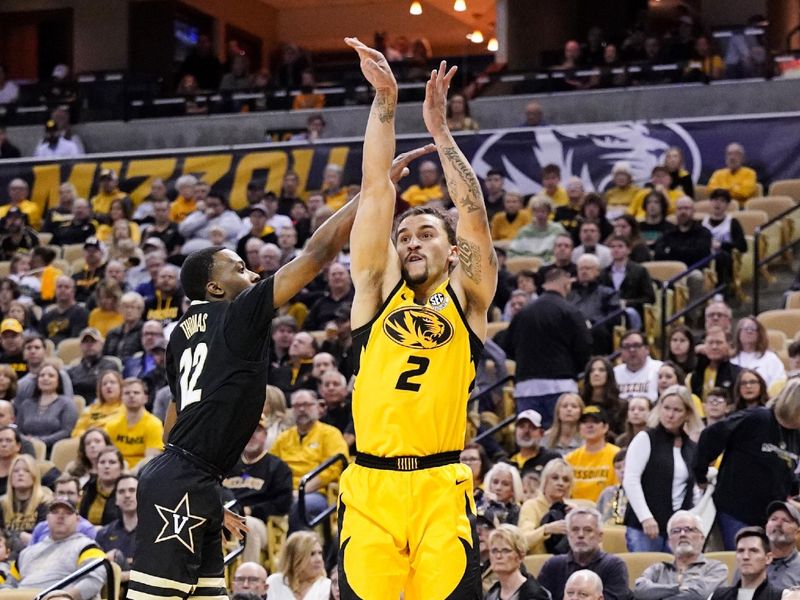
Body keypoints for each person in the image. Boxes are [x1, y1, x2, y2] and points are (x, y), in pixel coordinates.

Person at [127, 139, 367, 597]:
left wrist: (208, 493)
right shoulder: (237, 313)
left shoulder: (179, 332)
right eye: (240, 268)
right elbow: (316, 256)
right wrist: (369, 193)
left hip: (189, 479)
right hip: (185, 482)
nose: (253, 275)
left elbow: (172, 425)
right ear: (216, 288)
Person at [336, 39, 497, 599]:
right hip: (371, 486)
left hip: (439, 485)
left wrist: (440, 133)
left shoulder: (467, 298)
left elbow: (472, 213)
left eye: (426, 232)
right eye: (404, 236)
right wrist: (385, 99)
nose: (410, 240)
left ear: (452, 252)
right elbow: (376, 186)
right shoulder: (376, 293)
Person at [695, 379, 800, 550]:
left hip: (769, 517)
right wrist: (700, 473)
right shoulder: (757, 418)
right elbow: (711, 435)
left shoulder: (796, 435)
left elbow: (785, 470)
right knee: (743, 564)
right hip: (736, 511)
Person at [504, 269, 592, 428]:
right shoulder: (570, 311)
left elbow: (508, 347)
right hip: (562, 385)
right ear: (566, 284)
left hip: (526, 387)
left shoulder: (523, 313)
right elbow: (584, 347)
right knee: (561, 437)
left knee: (529, 439)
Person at [623, 386, 701, 552]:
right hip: (644, 527)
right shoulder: (645, 439)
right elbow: (631, 480)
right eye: (666, 408)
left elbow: (692, 490)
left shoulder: (691, 448)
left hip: (676, 529)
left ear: (687, 414)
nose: (670, 414)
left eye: (677, 410)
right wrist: (646, 518)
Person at [1, 497, 106, 599]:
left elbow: (95, 579)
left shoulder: (88, 547)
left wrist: (67, 596)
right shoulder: (26, 553)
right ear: (47, 518)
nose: (60, 516)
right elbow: (9, 585)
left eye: (68, 512)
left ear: (78, 520)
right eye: (55, 512)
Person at [223, 413, 293, 563]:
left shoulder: (278, 467)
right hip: (224, 515)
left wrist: (251, 510)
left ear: (266, 434)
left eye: (257, 430)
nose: (252, 435)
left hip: (259, 522)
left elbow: (283, 502)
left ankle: (248, 577)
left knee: (247, 525)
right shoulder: (228, 464)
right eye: (248, 430)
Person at [538, 507, 631, 600]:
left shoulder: (614, 565)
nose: (581, 535)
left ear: (600, 536)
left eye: (588, 530)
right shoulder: (553, 565)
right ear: (567, 535)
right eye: (575, 529)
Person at [633, 510, 728, 600]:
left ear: (702, 538)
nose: (682, 534)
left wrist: (656, 596)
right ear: (669, 541)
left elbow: (699, 594)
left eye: (689, 530)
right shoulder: (657, 569)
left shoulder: (717, 569)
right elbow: (639, 590)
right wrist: (678, 588)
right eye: (676, 531)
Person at [16, 359, 78, 452]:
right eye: (42, 375)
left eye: (51, 376)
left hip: (53, 450)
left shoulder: (67, 403)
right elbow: (18, 430)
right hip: (26, 449)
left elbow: (66, 431)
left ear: (58, 381)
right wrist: (26, 441)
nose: (45, 378)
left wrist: (39, 441)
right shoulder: (26, 404)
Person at [518, 458, 576, 554]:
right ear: (545, 480)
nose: (560, 483)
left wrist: (578, 519)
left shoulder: (572, 509)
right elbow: (522, 541)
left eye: (565, 480)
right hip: (538, 563)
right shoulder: (531, 506)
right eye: (555, 478)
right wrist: (547, 529)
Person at [104, 378, 163, 469]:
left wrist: (130, 473)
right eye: (127, 393)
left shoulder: (154, 424)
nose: (131, 395)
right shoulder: (111, 423)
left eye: (136, 392)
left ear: (145, 398)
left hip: (141, 472)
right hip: (116, 470)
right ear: (121, 398)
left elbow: (152, 460)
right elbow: (106, 454)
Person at [566, 407, 621, 502]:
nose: (589, 425)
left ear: (605, 427)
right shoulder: (570, 458)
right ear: (579, 428)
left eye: (595, 422)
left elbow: (619, 490)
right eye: (584, 422)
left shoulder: (617, 455)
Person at [709, 527, 782, 600]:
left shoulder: (781, 597)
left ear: (768, 558)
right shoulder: (718, 596)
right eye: (741, 551)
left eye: (753, 551)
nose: (745, 556)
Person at [485, 524, 552, 600]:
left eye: (505, 551)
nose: (498, 556)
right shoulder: (492, 593)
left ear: (520, 556)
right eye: (494, 551)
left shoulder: (535, 595)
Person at [30, 474, 97, 544]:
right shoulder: (40, 528)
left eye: (70, 493)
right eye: (61, 493)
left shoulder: (87, 529)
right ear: (54, 496)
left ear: (79, 497)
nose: (65, 497)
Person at [96, 474, 139, 580]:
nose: (127, 495)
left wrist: (125, 576)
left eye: (132, 490)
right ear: (116, 499)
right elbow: (98, 571)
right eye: (121, 491)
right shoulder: (104, 533)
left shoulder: (156, 531)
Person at [267, 530, 330, 599]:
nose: (319, 560)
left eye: (320, 553)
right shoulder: (274, 582)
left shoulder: (327, 587)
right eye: (312, 554)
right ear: (295, 557)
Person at [67, 327, 120, 404]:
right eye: (85, 341)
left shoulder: (110, 365)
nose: (89, 344)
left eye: (93, 341)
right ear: (80, 346)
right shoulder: (73, 370)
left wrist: (77, 384)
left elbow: (98, 384)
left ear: (101, 344)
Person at [731, 317, 787, 389]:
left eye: (753, 329)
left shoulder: (771, 358)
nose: (749, 331)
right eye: (746, 328)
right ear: (739, 333)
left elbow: (779, 383)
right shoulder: (731, 358)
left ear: (759, 334)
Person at [508, 197, 567, 262]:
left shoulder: (557, 229)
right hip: (527, 266)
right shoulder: (524, 231)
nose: (540, 214)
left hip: (550, 265)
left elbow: (564, 249)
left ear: (549, 212)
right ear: (532, 212)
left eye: (543, 211)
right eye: (537, 211)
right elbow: (512, 252)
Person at [690, 327, 741, 401]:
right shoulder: (696, 373)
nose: (714, 347)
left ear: (728, 345)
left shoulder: (737, 373)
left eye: (719, 343)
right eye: (710, 343)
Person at [79, 445, 123, 527]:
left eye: (112, 462)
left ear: (121, 467)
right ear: (96, 467)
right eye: (102, 462)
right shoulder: (89, 488)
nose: (106, 466)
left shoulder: (129, 490)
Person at [72, 367, 123, 436]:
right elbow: (76, 432)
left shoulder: (128, 408)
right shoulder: (91, 409)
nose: (108, 386)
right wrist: (89, 435)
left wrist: (96, 431)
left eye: (112, 382)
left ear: (121, 387)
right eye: (104, 384)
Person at [614, 330, 662, 403]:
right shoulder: (614, 373)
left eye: (636, 345)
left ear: (647, 349)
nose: (632, 350)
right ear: (620, 351)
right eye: (627, 346)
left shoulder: (660, 368)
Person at [509, 409, 561, 476]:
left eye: (532, 427)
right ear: (515, 431)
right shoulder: (507, 462)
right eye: (521, 427)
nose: (526, 431)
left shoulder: (552, 460)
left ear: (541, 433)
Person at [581, 357, 626, 435]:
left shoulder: (621, 405)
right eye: (592, 371)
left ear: (609, 374)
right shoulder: (580, 403)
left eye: (601, 370)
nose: (596, 373)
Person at [764, 501, 800, 590]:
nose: (778, 524)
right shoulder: (749, 560)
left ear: (797, 533)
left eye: (786, 520)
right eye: (773, 519)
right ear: (766, 527)